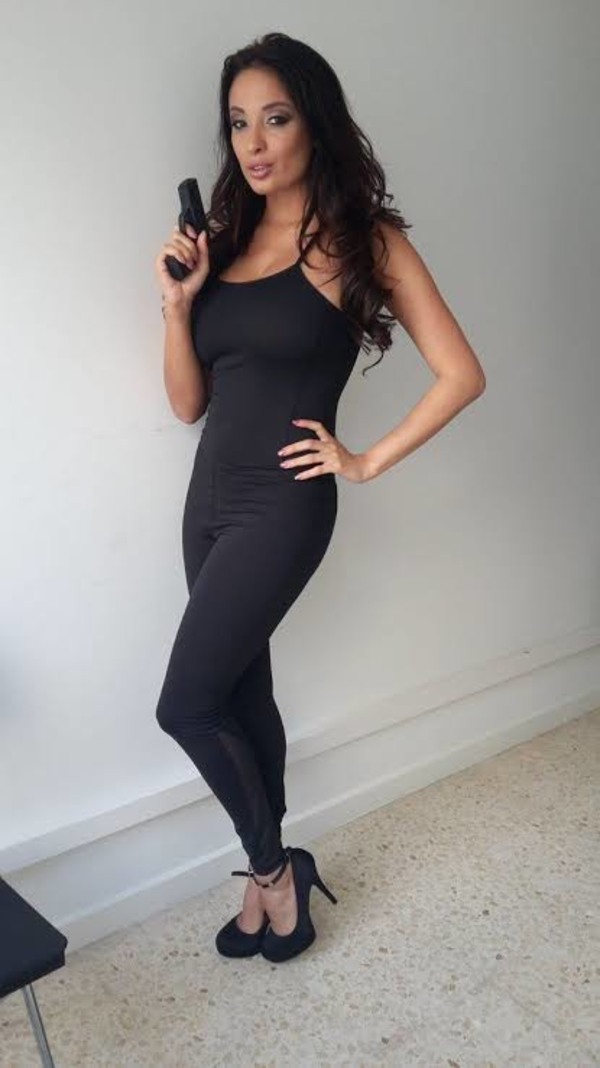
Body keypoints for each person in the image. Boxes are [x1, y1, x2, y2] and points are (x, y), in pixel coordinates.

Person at [153, 32, 486, 965]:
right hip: (208, 500)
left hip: (283, 504)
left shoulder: (362, 242)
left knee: (184, 705)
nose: (254, 143)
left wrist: (365, 460)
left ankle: (274, 873)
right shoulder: (222, 242)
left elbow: (462, 374)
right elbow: (187, 404)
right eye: (238, 124)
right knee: (237, 689)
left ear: (315, 123)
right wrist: (179, 307)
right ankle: (275, 878)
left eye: (276, 118)